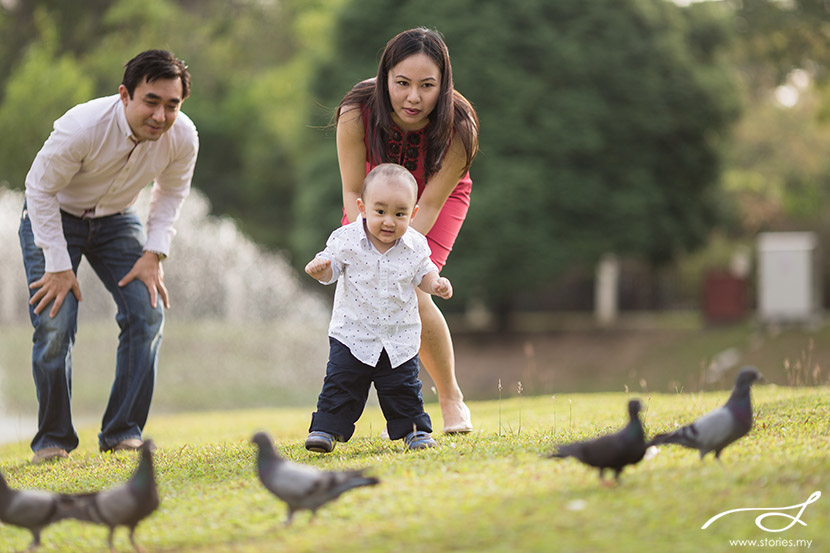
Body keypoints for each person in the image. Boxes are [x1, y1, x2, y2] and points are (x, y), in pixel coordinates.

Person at [18, 49, 199, 463]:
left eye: (172, 105)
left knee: (147, 312)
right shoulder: (81, 127)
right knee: (54, 324)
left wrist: (155, 253)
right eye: (151, 101)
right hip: (53, 215)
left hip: (117, 220)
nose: (160, 115)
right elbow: (39, 189)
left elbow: (170, 193)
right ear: (125, 95)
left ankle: (122, 432)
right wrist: (59, 264)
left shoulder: (183, 136)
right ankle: (53, 439)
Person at [334, 27, 479, 434]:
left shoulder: (461, 126)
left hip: (437, 199)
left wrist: (397, 255)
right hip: (373, 199)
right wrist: (363, 239)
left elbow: (429, 203)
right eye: (402, 84)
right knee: (369, 296)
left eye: (427, 86)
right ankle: (401, 410)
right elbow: (350, 188)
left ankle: (450, 399)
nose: (413, 97)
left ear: (443, 85)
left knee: (410, 292)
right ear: (385, 79)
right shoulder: (355, 110)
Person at [304, 163, 453, 452]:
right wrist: (320, 269)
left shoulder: (416, 245)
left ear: (413, 214)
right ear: (362, 207)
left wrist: (436, 284)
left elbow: (425, 273)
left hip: (399, 335)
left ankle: (415, 432)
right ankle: (325, 430)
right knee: (341, 383)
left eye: (399, 214)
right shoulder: (346, 239)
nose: (389, 221)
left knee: (404, 388)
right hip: (353, 334)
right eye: (380, 211)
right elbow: (330, 270)